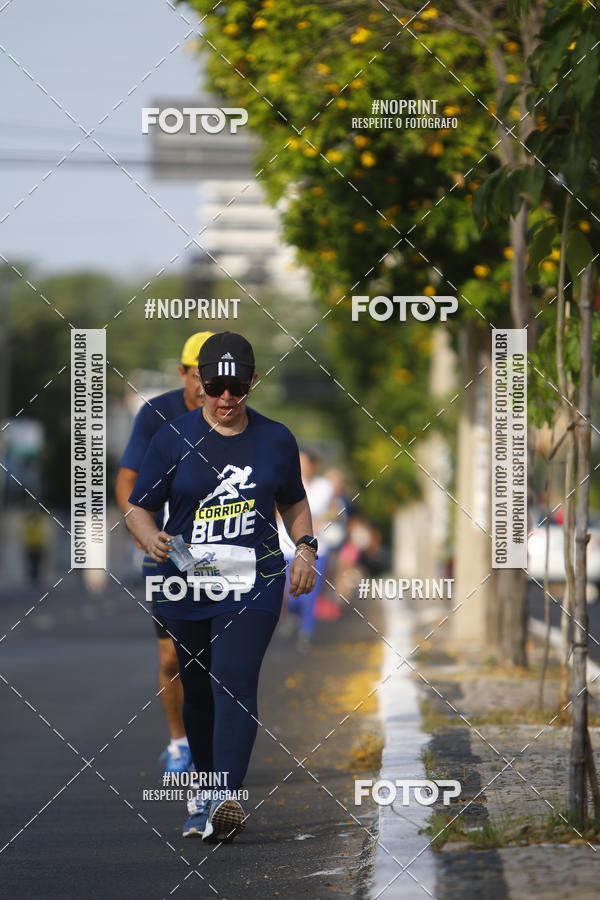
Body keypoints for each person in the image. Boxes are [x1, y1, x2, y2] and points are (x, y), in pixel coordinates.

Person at [126, 331, 317, 842]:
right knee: (197, 688)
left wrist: (305, 548)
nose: (226, 398)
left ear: (253, 381)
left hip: (255, 576)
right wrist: (150, 537)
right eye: (215, 388)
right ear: (199, 383)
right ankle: (205, 791)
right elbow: (139, 507)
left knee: (234, 677)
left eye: (237, 387)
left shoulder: (276, 439)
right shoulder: (172, 436)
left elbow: (293, 501)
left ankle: (226, 797)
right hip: (186, 578)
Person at [115, 331, 213, 774]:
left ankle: (216, 746)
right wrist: (142, 530)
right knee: (173, 657)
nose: (209, 386)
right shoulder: (158, 414)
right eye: (199, 376)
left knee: (219, 660)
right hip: (169, 554)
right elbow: (127, 479)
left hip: (221, 554)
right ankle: (179, 744)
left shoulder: (234, 414)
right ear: (183, 372)